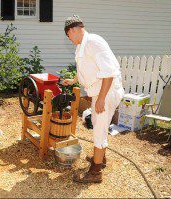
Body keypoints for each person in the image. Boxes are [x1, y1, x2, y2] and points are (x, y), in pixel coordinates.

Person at [63, 15, 124, 183]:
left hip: (107, 91)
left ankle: (96, 172)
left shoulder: (94, 42)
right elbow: (84, 67)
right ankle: (100, 158)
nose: (69, 40)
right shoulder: (82, 46)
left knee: (99, 129)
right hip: (99, 91)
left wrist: (101, 99)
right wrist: (73, 80)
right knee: (100, 125)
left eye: (68, 36)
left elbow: (109, 72)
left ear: (72, 30)